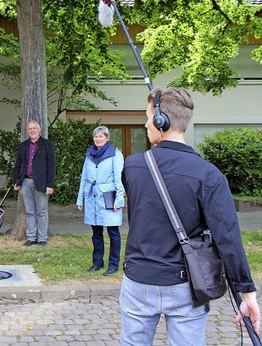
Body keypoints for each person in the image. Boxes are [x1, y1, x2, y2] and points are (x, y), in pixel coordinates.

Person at [120, 88, 260, 345]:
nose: (145, 123)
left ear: (161, 121)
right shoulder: (209, 175)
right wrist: (247, 292)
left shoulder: (133, 166)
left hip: (138, 281)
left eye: (148, 116)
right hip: (186, 285)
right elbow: (228, 237)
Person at [76, 125, 125, 276]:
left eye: (101, 136)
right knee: (96, 233)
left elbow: (118, 178)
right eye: (96, 137)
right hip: (92, 198)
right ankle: (97, 263)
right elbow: (84, 178)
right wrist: (80, 199)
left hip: (108, 197)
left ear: (107, 138)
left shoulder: (115, 155)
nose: (98, 139)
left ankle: (113, 265)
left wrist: (119, 200)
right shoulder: (89, 155)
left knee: (113, 233)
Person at [13, 120, 56, 246]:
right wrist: (16, 181)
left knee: (42, 211)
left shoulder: (47, 145)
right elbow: (18, 165)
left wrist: (50, 185)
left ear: (39, 129)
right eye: (30, 129)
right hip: (25, 182)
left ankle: (42, 238)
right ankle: (31, 237)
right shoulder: (23, 146)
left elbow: (51, 166)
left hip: (41, 183)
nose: (32, 130)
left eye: (34, 128)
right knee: (29, 211)